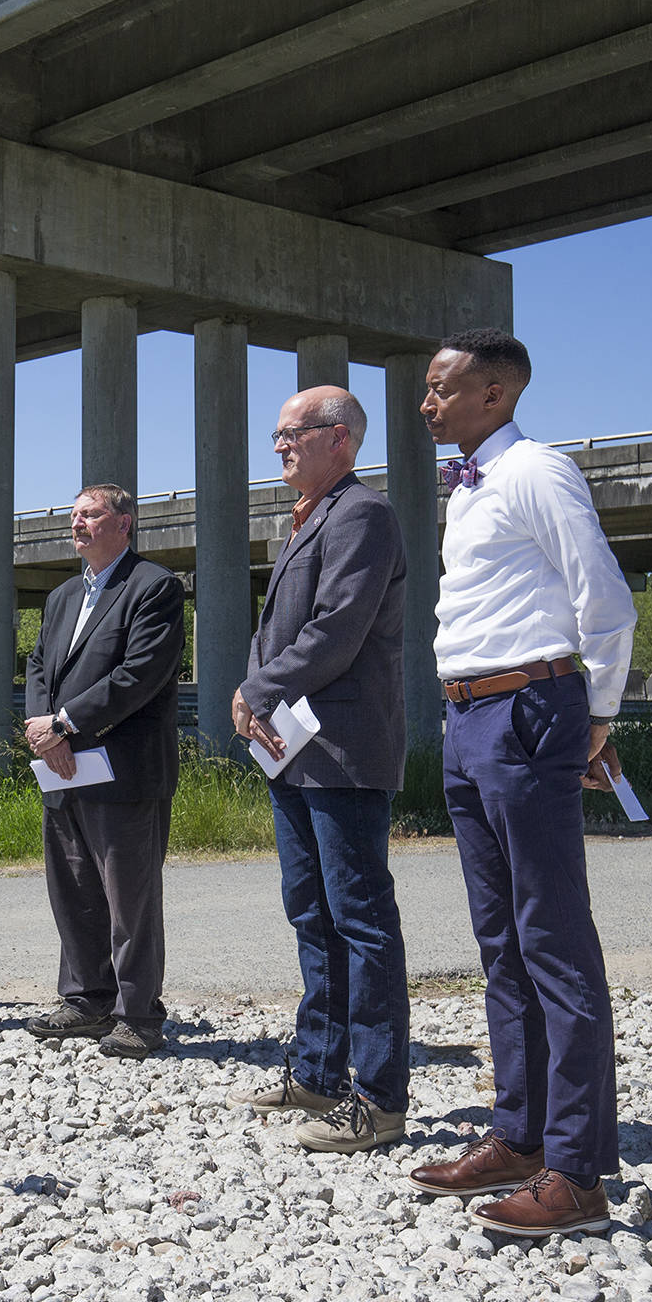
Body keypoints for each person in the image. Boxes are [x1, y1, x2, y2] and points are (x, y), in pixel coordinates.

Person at [404, 328, 636, 1237]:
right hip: (468, 718)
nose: (426, 403)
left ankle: (577, 1172)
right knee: (500, 939)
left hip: (529, 710)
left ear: (495, 394)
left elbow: (604, 602)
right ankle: (522, 1133)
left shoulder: (538, 470)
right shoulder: (469, 487)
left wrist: (597, 717)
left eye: (440, 388)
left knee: (553, 938)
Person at [226, 387, 411, 1152]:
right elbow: (277, 632)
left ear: (339, 438)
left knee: (360, 917)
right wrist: (251, 687)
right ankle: (319, 1067)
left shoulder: (362, 514)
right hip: (296, 751)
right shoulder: (304, 520)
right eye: (275, 435)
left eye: (291, 433)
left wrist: (256, 688)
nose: (278, 446)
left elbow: (338, 629)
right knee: (311, 909)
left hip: (343, 751)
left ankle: (379, 1095)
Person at [21, 484, 186, 1060]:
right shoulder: (64, 595)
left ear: (125, 523)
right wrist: (45, 729)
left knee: (129, 899)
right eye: (74, 516)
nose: (78, 524)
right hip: (64, 769)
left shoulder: (154, 587)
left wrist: (65, 726)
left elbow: (141, 674)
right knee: (73, 890)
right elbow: (39, 664)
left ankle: (138, 1015)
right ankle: (86, 999)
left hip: (124, 770)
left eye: (90, 515)